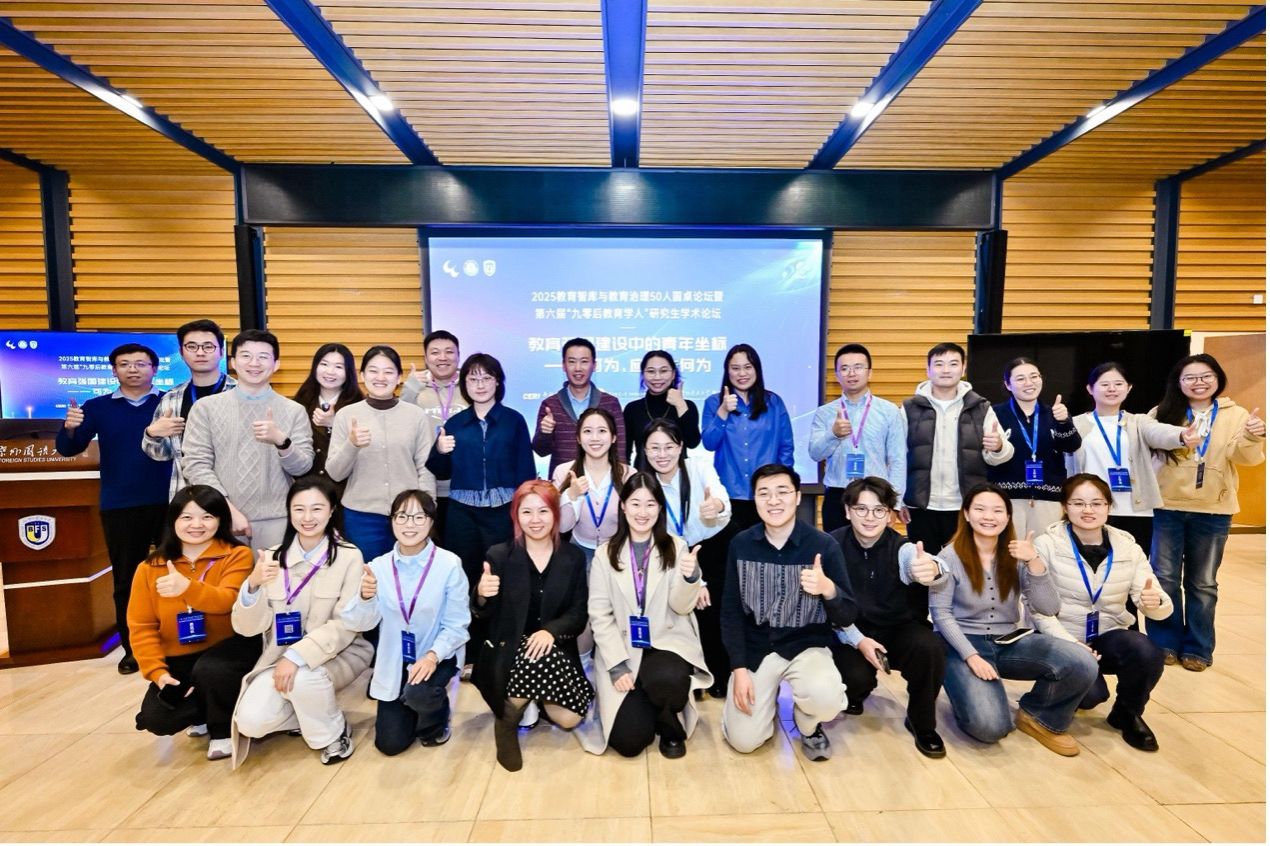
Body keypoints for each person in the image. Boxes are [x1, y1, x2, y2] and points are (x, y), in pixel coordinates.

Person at [929, 483, 1098, 756]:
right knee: (990, 727)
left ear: (1008, 517)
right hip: (961, 645)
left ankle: (1039, 716)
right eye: (980, 509)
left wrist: (1035, 563)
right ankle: (963, 690)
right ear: (967, 514)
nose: (989, 516)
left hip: (1009, 641)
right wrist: (972, 656)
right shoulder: (949, 556)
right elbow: (941, 615)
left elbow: (1048, 607)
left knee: (1082, 662)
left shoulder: (1017, 555)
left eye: (998, 510)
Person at [230, 478, 372, 765]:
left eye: (317, 509)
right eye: (299, 509)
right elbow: (247, 628)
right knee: (250, 722)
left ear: (332, 511)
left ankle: (333, 735)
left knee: (305, 678)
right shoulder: (271, 557)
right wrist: (253, 585)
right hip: (277, 657)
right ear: (289, 512)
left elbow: (345, 625)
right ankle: (310, 713)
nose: (308, 518)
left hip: (339, 654)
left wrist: (296, 657)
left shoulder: (349, 556)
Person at [721, 464, 854, 761]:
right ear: (754, 499)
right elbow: (731, 612)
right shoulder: (741, 545)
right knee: (744, 741)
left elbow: (847, 616)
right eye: (764, 493)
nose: (773, 501)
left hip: (806, 645)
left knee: (826, 698)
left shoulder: (824, 546)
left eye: (782, 492)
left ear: (797, 497)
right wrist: (738, 669)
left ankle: (807, 723)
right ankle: (762, 709)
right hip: (757, 648)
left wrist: (828, 589)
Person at [1032, 474, 1174, 751]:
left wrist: (1154, 602)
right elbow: (1038, 610)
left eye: (1096, 503)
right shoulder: (1046, 545)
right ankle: (1056, 690)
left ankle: (1127, 713)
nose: (1088, 510)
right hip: (1063, 638)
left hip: (1108, 635)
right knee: (1091, 696)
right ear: (1065, 506)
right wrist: (1072, 644)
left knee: (1146, 651)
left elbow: (1156, 602)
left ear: (1108, 506)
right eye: (1078, 503)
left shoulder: (1128, 547)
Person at [56, 342, 173, 675]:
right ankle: (134, 649)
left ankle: (177, 642)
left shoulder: (170, 403)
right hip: (121, 504)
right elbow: (68, 449)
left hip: (172, 502)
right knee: (127, 580)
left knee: (175, 573)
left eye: (140, 363)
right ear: (114, 370)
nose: (133, 369)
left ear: (154, 369)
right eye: (125, 364)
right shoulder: (97, 407)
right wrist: (69, 428)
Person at [1147, 353, 1265, 671]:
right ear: (1178, 382)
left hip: (1214, 511)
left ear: (1217, 378)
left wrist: (1252, 436)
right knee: (1164, 578)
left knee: (1203, 583)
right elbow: (1149, 447)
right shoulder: (1162, 412)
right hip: (1167, 507)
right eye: (1190, 377)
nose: (1199, 383)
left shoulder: (1236, 415)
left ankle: (1198, 648)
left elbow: (1246, 459)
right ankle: (1164, 643)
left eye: (1206, 376)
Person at [128, 485, 260, 760]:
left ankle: (222, 729)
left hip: (229, 649)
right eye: (186, 517)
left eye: (207, 516)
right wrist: (157, 672)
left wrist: (187, 588)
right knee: (156, 719)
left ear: (220, 520)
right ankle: (205, 711)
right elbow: (141, 627)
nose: (196, 525)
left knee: (211, 671)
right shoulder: (149, 568)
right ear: (173, 521)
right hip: (180, 656)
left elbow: (228, 601)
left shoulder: (237, 555)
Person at [588, 473, 712, 758]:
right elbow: (600, 615)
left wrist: (691, 577)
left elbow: (681, 607)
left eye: (650, 504)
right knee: (628, 743)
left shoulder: (676, 547)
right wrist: (617, 665)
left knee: (668, 678)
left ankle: (670, 728)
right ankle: (647, 705)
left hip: (665, 642)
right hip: (622, 648)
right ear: (623, 506)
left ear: (660, 508)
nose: (642, 512)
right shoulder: (604, 554)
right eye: (635, 504)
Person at [472, 480, 592, 772]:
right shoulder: (499, 555)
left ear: (555, 514)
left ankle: (531, 699)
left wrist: (551, 631)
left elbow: (579, 612)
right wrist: (481, 595)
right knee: (534, 653)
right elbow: (483, 615)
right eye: (527, 512)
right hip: (509, 649)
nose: (535, 519)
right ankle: (507, 722)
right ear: (516, 515)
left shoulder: (573, 557)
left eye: (543, 511)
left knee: (570, 719)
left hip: (555, 648)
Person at [426, 352, 536, 664]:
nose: (480, 384)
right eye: (473, 378)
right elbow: (440, 471)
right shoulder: (456, 423)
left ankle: (504, 648)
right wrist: (440, 450)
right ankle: (471, 653)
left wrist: (524, 514)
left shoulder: (514, 421)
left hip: (503, 511)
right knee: (465, 579)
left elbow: (526, 471)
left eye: (487, 378)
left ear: (498, 382)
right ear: (464, 384)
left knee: (504, 577)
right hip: (463, 513)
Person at [341, 490, 470, 753]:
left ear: (431, 522)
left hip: (438, 654)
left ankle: (435, 720)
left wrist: (432, 656)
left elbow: (457, 625)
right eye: (402, 516)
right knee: (390, 745)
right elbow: (358, 623)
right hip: (396, 658)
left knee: (419, 693)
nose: (409, 524)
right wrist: (365, 597)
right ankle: (413, 705)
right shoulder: (378, 567)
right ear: (391, 521)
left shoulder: (449, 564)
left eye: (419, 517)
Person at [829, 477, 948, 758]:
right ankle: (856, 693)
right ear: (847, 511)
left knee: (929, 648)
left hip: (898, 629)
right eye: (861, 509)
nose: (870, 517)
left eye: (879, 510)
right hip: (851, 631)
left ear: (890, 515)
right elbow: (828, 606)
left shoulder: (902, 548)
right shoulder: (831, 546)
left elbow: (926, 563)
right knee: (851, 677)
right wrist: (858, 640)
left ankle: (922, 723)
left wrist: (933, 568)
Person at [181, 330, 314, 550]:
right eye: (246, 356)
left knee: (275, 573)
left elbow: (302, 467)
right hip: (219, 516)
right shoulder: (205, 408)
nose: (254, 363)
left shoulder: (294, 410)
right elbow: (196, 465)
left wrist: (281, 441)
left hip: (278, 519)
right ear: (233, 362)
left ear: (276, 364)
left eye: (263, 357)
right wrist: (227, 509)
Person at [1068, 362, 1199, 555]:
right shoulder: (1075, 424)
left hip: (1135, 510)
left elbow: (1158, 432)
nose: (1112, 389)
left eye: (1118, 384)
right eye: (1104, 384)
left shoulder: (1139, 422)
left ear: (1128, 388)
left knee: (1133, 563)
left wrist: (1180, 435)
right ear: (1090, 389)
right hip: (1089, 509)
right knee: (1089, 563)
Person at [642, 420, 731, 697]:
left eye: (669, 446)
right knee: (681, 608)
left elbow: (721, 498)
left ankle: (719, 674)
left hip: (715, 544)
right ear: (645, 451)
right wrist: (697, 581)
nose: (662, 454)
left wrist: (716, 506)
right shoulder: (646, 484)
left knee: (713, 611)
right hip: (673, 550)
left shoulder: (699, 468)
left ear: (680, 447)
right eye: (654, 448)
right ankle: (690, 674)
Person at [325, 345, 436, 561]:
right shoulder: (346, 415)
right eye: (373, 371)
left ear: (399, 377)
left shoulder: (416, 415)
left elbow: (425, 467)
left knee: (409, 573)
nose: (380, 378)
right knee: (368, 575)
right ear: (362, 375)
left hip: (409, 514)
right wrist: (351, 444)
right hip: (361, 517)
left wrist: (427, 509)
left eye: (388, 371)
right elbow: (335, 473)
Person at [900, 342, 1012, 554]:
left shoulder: (980, 407)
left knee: (965, 566)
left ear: (963, 368)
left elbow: (1002, 454)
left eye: (953, 364)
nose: (946, 370)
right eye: (939, 364)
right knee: (924, 566)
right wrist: (898, 500)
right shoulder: (909, 408)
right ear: (928, 369)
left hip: (966, 505)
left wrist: (997, 447)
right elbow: (898, 457)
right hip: (921, 505)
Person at [809, 343, 906, 533]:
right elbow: (815, 453)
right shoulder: (825, 412)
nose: (851, 373)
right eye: (844, 368)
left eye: (858, 367)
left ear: (869, 373)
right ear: (837, 375)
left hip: (877, 494)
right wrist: (833, 434)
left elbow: (898, 460)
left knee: (875, 549)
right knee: (836, 548)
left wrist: (894, 505)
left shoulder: (889, 411)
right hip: (837, 495)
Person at [701, 344, 795, 531]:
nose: (742, 373)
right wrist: (723, 412)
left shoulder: (774, 402)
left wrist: (783, 485)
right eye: (735, 368)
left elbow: (786, 447)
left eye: (747, 367)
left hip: (767, 493)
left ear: (756, 370)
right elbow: (709, 443)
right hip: (728, 492)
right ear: (727, 372)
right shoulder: (714, 402)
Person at [142, 319, 236, 500]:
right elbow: (161, 455)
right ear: (181, 352)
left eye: (208, 346)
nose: (200, 352)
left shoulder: (241, 393)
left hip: (235, 495)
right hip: (187, 495)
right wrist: (153, 434)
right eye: (192, 347)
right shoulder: (171, 398)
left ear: (221, 352)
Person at [987, 357, 1081, 537]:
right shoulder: (994, 413)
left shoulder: (1055, 412)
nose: (1029, 383)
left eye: (1034, 376)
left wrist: (1064, 422)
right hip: (1005, 501)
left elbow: (1071, 446)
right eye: (1020, 378)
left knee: (1045, 551)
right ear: (1008, 384)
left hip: (1048, 500)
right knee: (1008, 551)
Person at [401, 330, 467, 539]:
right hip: (425, 485)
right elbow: (399, 421)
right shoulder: (416, 388)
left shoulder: (470, 386)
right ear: (426, 357)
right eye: (435, 352)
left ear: (459, 356)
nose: (442, 357)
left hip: (463, 487)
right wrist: (410, 388)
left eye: (449, 352)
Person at [553, 407, 635, 566]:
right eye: (588, 431)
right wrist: (572, 495)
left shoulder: (629, 474)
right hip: (578, 552)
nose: (595, 438)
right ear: (578, 438)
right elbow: (562, 527)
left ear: (613, 437)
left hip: (619, 552)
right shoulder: (563, 472)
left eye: (602, 431)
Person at [533, 338, 626, 477]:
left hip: (602, 481)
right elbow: (541, 451)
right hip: (563, 482)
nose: (578, 368)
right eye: (572, 361)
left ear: (594, 365)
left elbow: (620, 448)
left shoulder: (610, 403)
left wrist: (620, 481)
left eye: (584, 361)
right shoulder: (550, 405)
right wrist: (545, 433)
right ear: (563, 365)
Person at [291, 343, 362, 495]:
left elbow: (362, 452)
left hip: (345, 490)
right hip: (306, 489)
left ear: (348, 372)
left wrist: (334, 425)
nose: (330, 372)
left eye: (339, 367)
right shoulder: (299, 403)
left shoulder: (358, 405)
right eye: (324, 364)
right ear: (315, 367)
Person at [623, 350, 701, 471]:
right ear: (643, 374)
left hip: (679, 477)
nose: (657, 377)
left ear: (673, 374)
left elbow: (692, 443)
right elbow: (625, 452)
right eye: (651, 371)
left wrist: (680, 405)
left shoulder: (687, 406)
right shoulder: (632, 409)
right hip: (643, 477)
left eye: (663, 371)